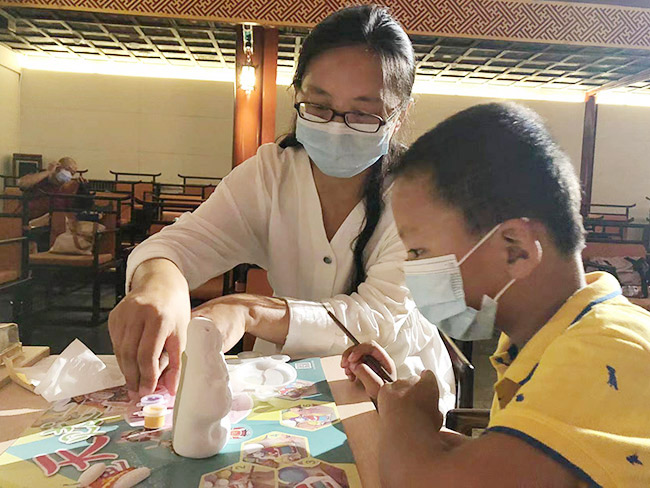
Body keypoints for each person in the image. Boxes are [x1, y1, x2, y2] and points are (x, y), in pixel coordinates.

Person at [108, 5, 455, 412]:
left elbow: (374, 316)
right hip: (287, 381)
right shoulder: (271, 175)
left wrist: (246, 309)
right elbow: (180, 246)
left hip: (395, 388)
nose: (336, 126)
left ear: (399, 115)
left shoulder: (420, 196)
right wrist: (159, 284)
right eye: (319, 106)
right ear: (297, 94)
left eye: (362, 113)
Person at [343, 103, 650, 487]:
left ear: (515, 249)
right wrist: (393, 404)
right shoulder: (543, 340)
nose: (410, 269)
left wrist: (407, 423)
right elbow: (504, 465)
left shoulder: (602, 351)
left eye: (418, 251)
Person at [18, 156, 81, 220]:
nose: (69, 175)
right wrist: (48, 171)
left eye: (72, 173)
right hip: (32, 219)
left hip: (55, 223)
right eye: (67, 170)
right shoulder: (40, 179)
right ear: (58, 167)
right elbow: (22, 183)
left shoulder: (67, 189)